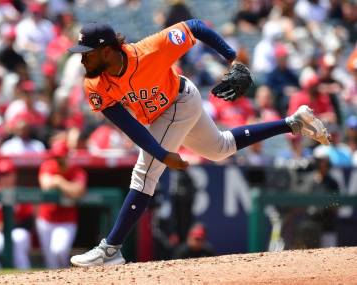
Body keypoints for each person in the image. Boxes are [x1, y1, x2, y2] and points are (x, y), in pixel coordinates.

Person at [68, 19, 330, 267]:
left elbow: (194, 27)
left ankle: (111, 248)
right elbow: (130, 126)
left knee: (144, 174)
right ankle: (293, 123)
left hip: (179, 101)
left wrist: (233, 59)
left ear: (106, 51)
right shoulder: (94, 83)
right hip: (160, 114)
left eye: (87, 53)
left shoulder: (150, 50)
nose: (81, 59)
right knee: (220, 149)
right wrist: (161, 152)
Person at [37, 139, 88, 268]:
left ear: (67, 156)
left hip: (66, 221)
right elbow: (45, 185)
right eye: (55, 157)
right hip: (46, 220)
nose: (58, 160)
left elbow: (78, 190)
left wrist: (59, 181)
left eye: (60, 157)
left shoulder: (76, 170)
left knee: (58, 251)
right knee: (50, 260)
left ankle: (65, 278)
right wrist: (66, 186)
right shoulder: (48, 165)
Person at [0, 158, 33, 269]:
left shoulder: (21, 193)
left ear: (14, 175)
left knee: (17, 241)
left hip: (18, 232)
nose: (4, 178)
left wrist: (9, 225)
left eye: (7, 174)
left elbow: (29, 222)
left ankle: (26, 276)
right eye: (1, 174)